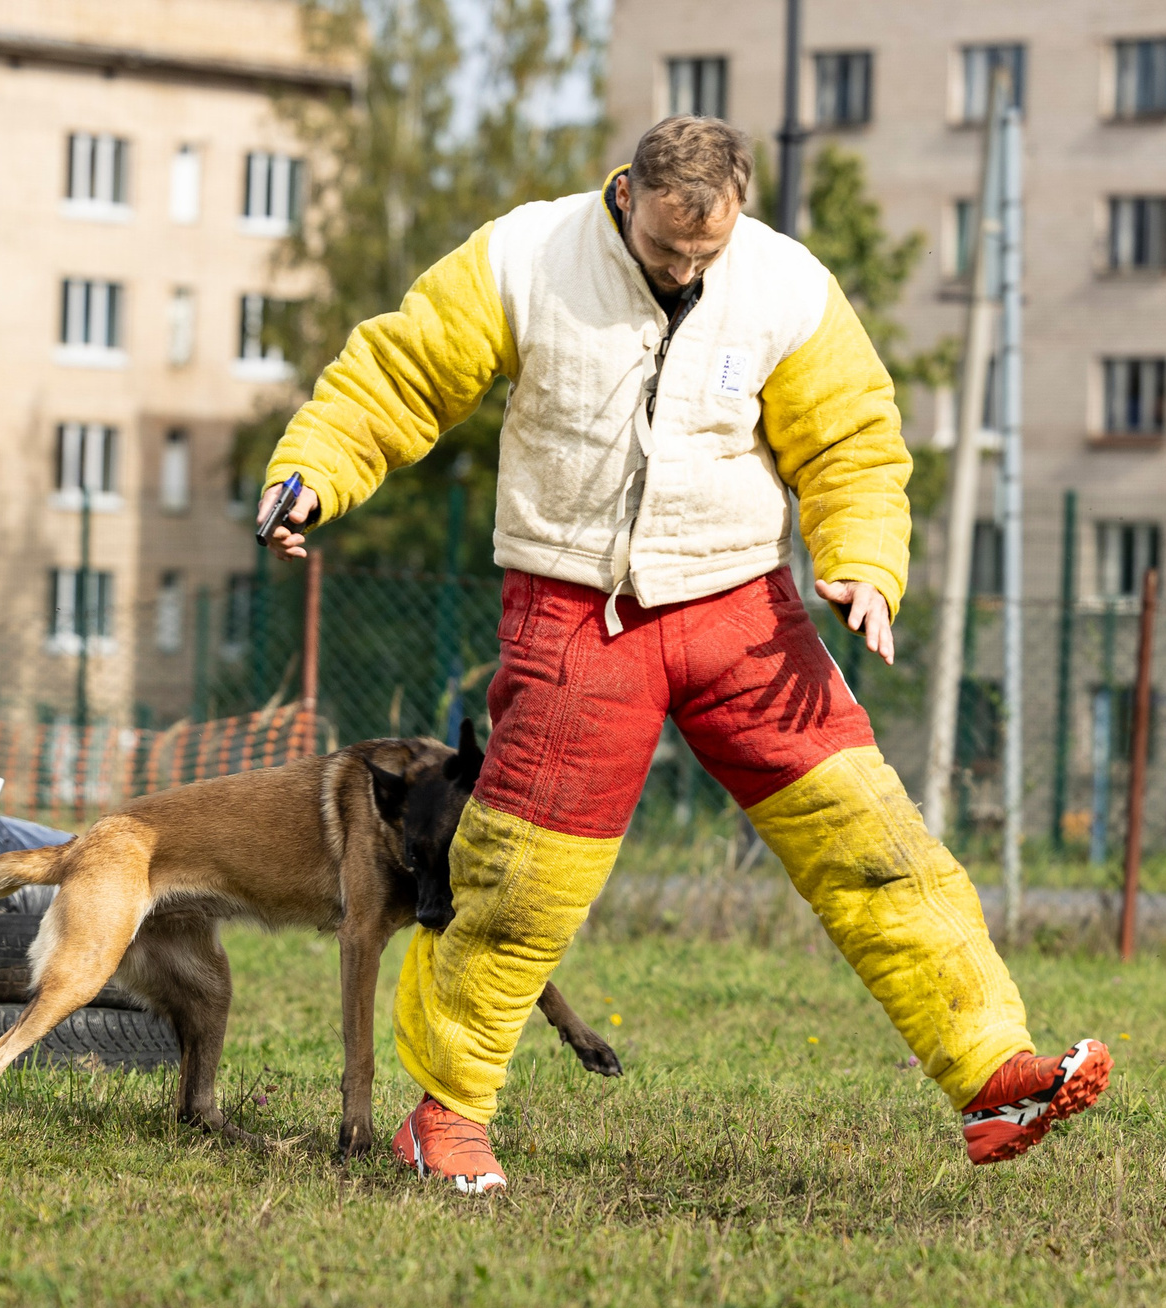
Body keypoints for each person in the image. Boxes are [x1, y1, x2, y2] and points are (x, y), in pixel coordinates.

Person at [259, 116, 1107, 1194]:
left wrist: (860, 562)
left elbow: (849, 437)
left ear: (737, 207)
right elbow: (400, 374)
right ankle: (446, 1116)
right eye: (668, 250)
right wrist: (315, 472)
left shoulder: (787, 286)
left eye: (707, 249)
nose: (688, 268)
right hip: (575, 612)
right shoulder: (524, 258)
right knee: (516, 885)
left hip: (743, 610)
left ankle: (994, 1076)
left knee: (873, 839)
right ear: (627, 198)